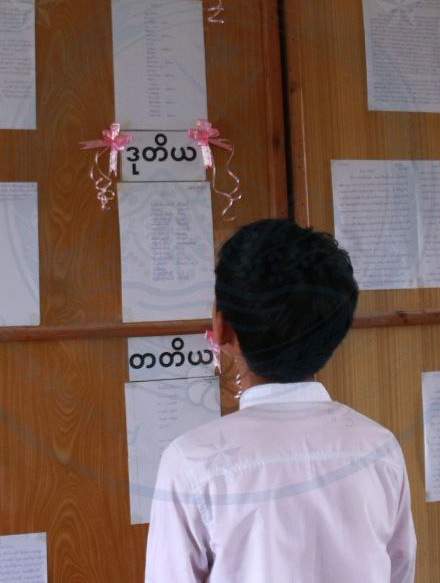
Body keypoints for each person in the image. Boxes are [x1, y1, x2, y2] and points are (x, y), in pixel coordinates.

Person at [145, 219, 415, 583]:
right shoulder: (380, 449)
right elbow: (399, 572)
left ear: (221, 328)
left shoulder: (190, 462)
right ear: (335, 332)